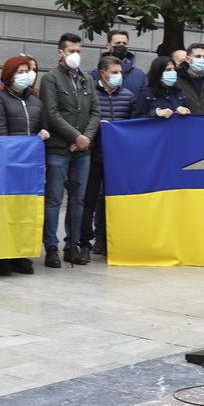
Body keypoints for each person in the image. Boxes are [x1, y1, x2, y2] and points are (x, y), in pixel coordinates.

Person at [37, 33, 100, 268]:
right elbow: (51, 114)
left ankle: (71, 245)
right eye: (71, 51)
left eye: (78, 51)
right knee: (54, 199)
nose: (75, 55)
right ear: (60, 52)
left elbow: (95, 112)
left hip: (82, 151)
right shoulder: (50, 79)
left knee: (78, 199)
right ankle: (51, 247)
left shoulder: (87, 79)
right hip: (58, 149)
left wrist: (86, 138)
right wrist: (76, 136)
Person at [0, 54, 49, 275]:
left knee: (25, 210)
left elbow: (42, 125)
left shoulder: (35, 100)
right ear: (10, 75)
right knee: (5, 210)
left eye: (27, 71)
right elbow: (0, 130)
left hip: (30, 166)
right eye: (20, 72)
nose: (25, 75)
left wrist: (44, 132)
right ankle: (3, 257)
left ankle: (20, 254)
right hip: (7, 164)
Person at [81, 54, 138, 258]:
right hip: (94, 156)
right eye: (114, 72)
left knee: (112, 200)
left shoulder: (128, 96)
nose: (119, 76)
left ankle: (107, 240)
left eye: (120, 72)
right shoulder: (91, 95)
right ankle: (84, 242)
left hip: (118, 159)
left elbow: (134, 124)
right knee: (88, 200)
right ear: (103, 73)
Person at [98, 30, 147, 100]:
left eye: (124, 43)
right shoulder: (97, 73)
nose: (121, 46)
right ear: (108, 46)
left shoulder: (140, 75)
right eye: (118, 43)